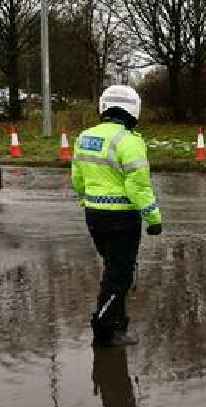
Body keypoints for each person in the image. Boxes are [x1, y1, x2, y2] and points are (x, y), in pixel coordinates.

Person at [72, 85, 162, 347]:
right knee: (120, 274)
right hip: (123, 219)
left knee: (113, 269)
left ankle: (118, 323)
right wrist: (153, 218)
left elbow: (77, 178)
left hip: (94, 215)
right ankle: (104, 326)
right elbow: (139, 186)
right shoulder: (129, 141)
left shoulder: (85, 137)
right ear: (133, 110)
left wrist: (86, 200)